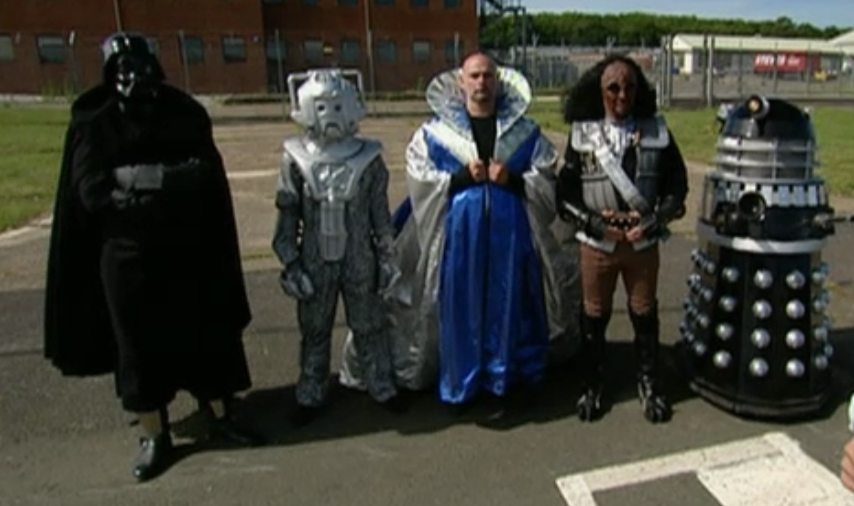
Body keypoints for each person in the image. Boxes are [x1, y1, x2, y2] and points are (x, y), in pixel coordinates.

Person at [43, 32, 261, 482]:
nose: (133, 77)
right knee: (138, 346)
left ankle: (221, 413)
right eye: (122, 69)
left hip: (188, 248)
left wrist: (147, 180)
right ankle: (153, 432)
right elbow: (90, 189)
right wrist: (137, 190)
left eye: (140, 67)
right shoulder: (95, 121)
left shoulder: (184, 113)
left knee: (207, 334)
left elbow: (203, 173)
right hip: (128, 254)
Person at [340, 51, 578, 414]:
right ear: (461, 82)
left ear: (499, 83)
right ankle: (461, 384)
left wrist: (512, 179)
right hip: (457, 239)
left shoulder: (526, 133)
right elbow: (419, 176)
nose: (482, 83)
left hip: (510, 238)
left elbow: (546, 176)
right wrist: (459, 179)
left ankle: (502, 379)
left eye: (488, 76)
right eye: (475, 76)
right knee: (460, 308)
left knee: (508, 303)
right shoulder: (435, 135)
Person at [556, 54, 689, 424]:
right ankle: (592, 384)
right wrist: (595, 224)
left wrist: (654, 220)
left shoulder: (658, 131)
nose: (621, 94)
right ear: (599, 90)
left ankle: (649, 381)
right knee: (593, 316)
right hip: (597, 244)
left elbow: (678, 187)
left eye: (629, 86)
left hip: (642, 243)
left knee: (645, 313)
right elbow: (564, 194)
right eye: (613, 87)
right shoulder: (582, 135)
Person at [272, 68, 406, 427]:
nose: (329, 115)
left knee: (369, 325)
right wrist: (291, 263)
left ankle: (381, 385)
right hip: (315, 257)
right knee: (314, 328)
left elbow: (380, 214)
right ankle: (310, 391)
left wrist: (388, 257)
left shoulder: (369, 157)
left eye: (335, 105)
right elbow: (287, 216)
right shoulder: (295, 158)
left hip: (359, 255)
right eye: (320, 106)